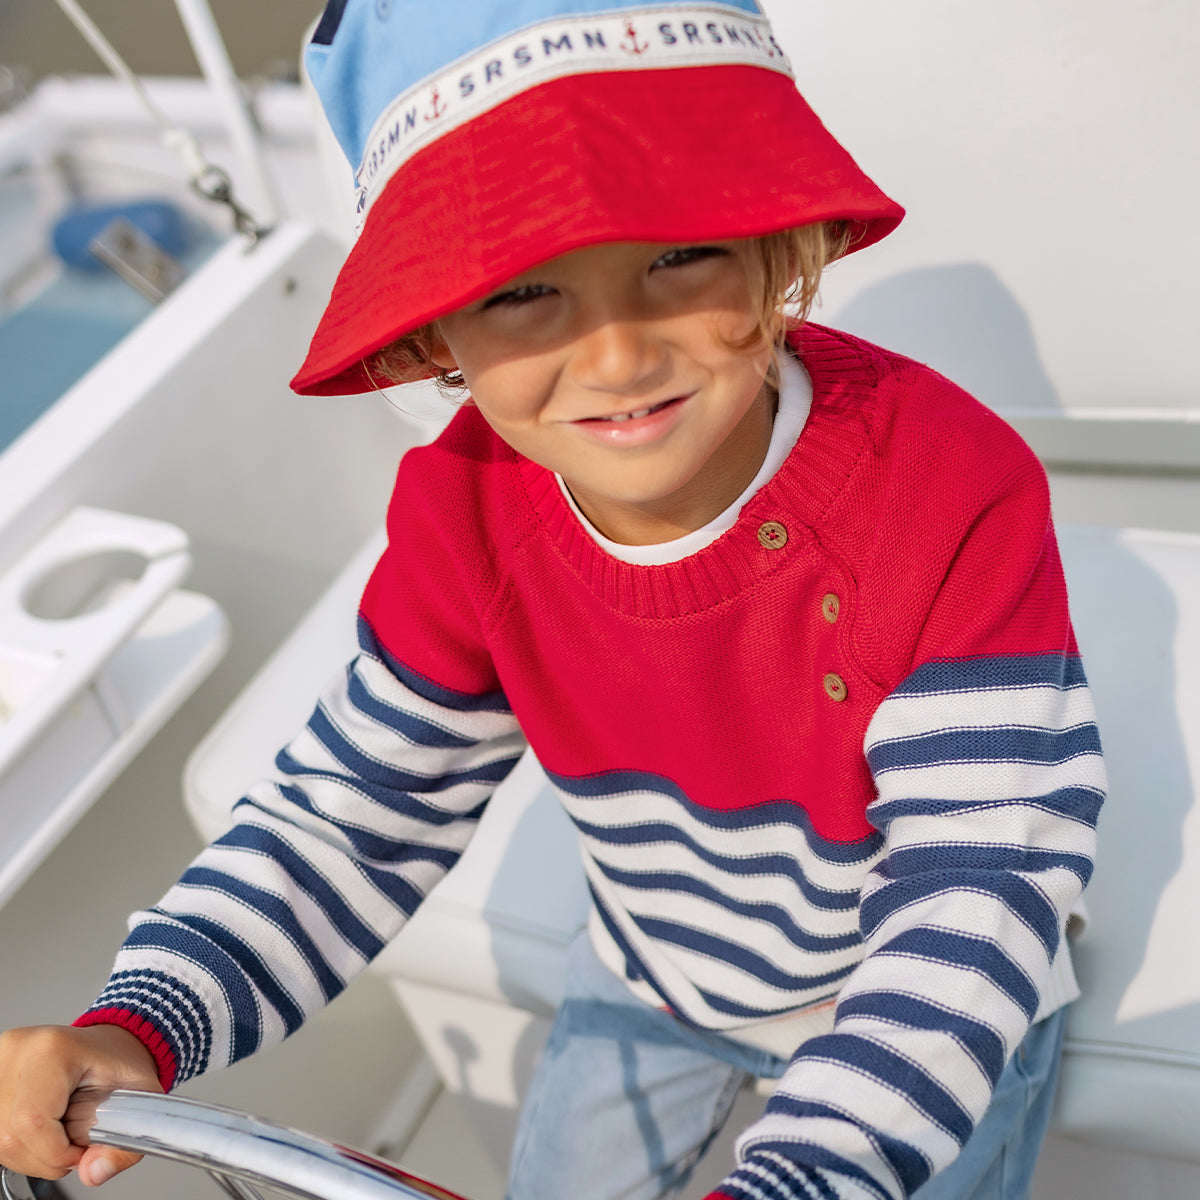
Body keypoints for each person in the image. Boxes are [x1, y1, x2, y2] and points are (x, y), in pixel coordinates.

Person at [0, 2, 1105, 1198]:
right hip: (654, 973)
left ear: (779, 246)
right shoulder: (464, 511)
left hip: (930, 1001)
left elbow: (976, 880)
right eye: (521, 287)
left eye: (680, 255)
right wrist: (140, 1025)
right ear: (438, 330)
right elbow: (353, 817)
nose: (620, 357)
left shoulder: (947, 486)